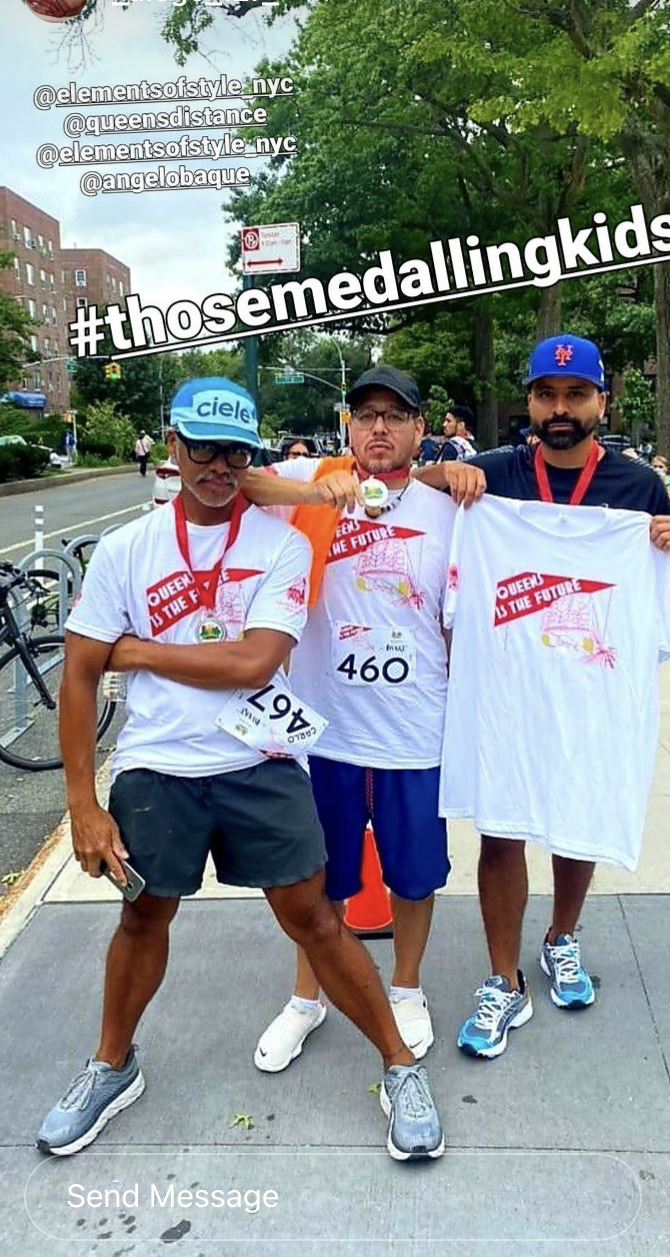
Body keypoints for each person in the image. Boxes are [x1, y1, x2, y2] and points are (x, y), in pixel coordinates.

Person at [38, 375, 444, 1163]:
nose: (218, 466)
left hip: (259, 759)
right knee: (142, 917)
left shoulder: (282, 542)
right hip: (157, 768)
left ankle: (398, 1064)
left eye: (235, 452)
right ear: (174, 448)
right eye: (202, 448)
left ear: (251, 455)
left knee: (316, 919)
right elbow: (79, 676)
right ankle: (110, 1065)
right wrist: (83, 806)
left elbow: (256, 660)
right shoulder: (129, 549)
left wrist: (138, 651)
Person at [420, 334, 670, 1058]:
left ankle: (561, 938)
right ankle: (502, 979)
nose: (560, 408)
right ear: (531, 402)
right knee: (501, 826)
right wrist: (446, 477)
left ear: (602, 401)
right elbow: (402, 486)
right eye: (546, 394)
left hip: (588, 693)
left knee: (580, 815)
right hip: (506, 692)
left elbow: (669, 606)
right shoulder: (493, 474)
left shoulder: (640, 490)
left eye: (575, 395)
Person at [238, 366, 456, 1074]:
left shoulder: (447, 507)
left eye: (396, 416)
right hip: (323, 728)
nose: (380, 429)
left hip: (413, 725)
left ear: (422, 429)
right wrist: (314, 489)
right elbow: (241, 481)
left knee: (414, 874)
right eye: (366, 416)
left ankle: (407, 987)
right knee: (317, 877)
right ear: (347, 425)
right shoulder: (316, 484)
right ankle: (308, 999)